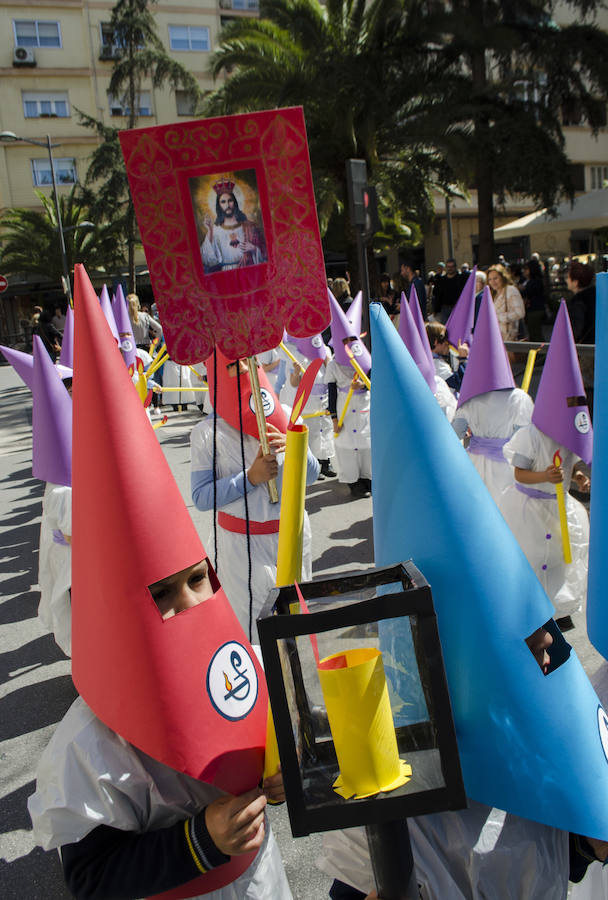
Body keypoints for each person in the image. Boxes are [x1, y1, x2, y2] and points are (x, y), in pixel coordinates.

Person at [28, 559, 292, 900]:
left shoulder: (243, 670)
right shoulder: (90, 744)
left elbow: (271, 751)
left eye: (197, 579)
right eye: (162, 593)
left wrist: (281, 776)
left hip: (261, 881)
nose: (190, 604)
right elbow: (91, 876)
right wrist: (201, 838)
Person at [191, 352, 319, 640]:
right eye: (234, 366)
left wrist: (295, 447)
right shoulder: (207, 432)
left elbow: (311, 474)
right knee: (253, 631)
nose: (247, 369)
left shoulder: (283, 411)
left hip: (293, 540)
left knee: (298, 622)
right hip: (241, 549)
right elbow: (200, 497)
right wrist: (250, 478)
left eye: (253, 362)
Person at [200, 179, 267, 273]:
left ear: (234, 202)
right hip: (226, 275)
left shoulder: (249, 227)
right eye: (223, 202)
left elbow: (266, 254)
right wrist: (210, 231)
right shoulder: (215, 230)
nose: (227, 205)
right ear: (218, 206)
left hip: (249, 272)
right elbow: (207, 259)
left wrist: (254, 248)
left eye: (230, 200)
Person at [486, 264, 525, 342]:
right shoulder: (494, 293)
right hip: (497, 337)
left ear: (502, 277)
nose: (492, 282)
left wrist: (499, 317)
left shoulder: (510, 290)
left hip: (510, 338)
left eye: (495, 278)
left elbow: (520, 313)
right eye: (490, 279)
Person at [431, 258, 466, 323]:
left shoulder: (461, 279)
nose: (450, 268)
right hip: (444, 308)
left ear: (455, 267)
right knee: (445, 329)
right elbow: (438, 295)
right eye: (448, 267)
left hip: (457, 308)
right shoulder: (441, 280)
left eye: (452, 266)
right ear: (446, 267)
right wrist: (435, 310)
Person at [520, 257, 546, 342]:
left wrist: (522, 289)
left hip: (535, 309)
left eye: (526, 269)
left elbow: (528, 292)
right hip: (530, 310)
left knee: (536, 333)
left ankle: (541, 353)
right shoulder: (526, 280)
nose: (524, 271)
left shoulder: (536, 281)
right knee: (532, 333)